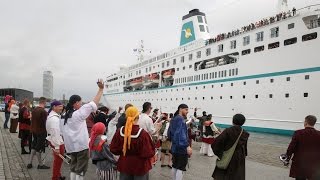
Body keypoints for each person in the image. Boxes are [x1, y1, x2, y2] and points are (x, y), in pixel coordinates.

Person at [62, 79, 104, 180]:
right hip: (81, 146)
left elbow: (61, 132)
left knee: (73, 167)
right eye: (80, 102)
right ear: (76, 103)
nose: (81, 104)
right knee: (80, 170)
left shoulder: (63, 116)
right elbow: (94, 103)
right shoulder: (78, 114)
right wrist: (101, 89)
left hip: (70, 146)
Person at [110, 106, 155, 180]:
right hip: (140, 167)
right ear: (137, 117)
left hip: (124, 165)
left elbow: (113, 149)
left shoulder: (119, 131)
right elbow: (149, 152)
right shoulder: (143, 134)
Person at [211, 114, 249, 180]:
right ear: (243, 122)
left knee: (223, 176)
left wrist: (220, 154)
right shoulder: (245, 133)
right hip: (239, 158)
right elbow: (244, 149)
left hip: (227, 156)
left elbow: (216, 143)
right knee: (236, 176)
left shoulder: (228, 131)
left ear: (233, 121)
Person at [285, 115, 320, 180]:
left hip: (300, 163)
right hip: (315, 164)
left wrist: (287, 158)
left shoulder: (298, 133)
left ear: (306, 122)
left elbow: (291, 148)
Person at [168, 104, 192, 180]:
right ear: (181, 109)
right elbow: (181, 135)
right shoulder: (181, 120)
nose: (187, 112)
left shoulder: (174, 119)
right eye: (186, 109)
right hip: (181, 148)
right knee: (181, 168)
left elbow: (169, 133)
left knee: (175, 166)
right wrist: (187, 146)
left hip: (174, 147)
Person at [27, 97, 50, 169]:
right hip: (41, 131)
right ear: (44, 102)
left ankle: (30, 163)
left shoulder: (34, 110)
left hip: (34, 130)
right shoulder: (43, 111)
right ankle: (40, 164)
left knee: (34, 146)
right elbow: (46, 123)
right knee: (38, 148)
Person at [46, 101, 66, 180]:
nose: (62, 108)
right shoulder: (54, 119)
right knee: (58, 161)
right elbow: (55, 133)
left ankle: (58, 175)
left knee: (58, 161)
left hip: (54, 140)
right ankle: (55, 177)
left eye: (62, 106)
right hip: (57, 141)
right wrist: (57, 147)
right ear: (54, 107)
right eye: (60, 106)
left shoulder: (52, 116)